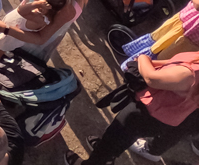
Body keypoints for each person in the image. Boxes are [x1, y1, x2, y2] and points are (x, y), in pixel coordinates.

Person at [64, 50, 199, 164]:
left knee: (117, 135)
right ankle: (107, 154)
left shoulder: (190, 75)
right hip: (158, 114)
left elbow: (152, 78)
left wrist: (143, 58)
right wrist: (149, 63)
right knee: (122, 138)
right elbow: (173, 64)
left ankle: (100, 159)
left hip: (147, 114)